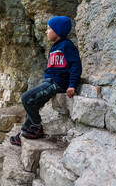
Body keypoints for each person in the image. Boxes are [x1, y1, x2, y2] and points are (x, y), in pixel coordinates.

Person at [10, 16, 82, 146]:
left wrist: (72, 84)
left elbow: (75, 66)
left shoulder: (66, 46)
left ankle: (37, 127)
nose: (46, 31)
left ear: (58, 30)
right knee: (33, 103)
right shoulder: (54, 47)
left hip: (57, 83)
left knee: (26, 98)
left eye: (49, 28)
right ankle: (25, 132)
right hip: (49, 82)